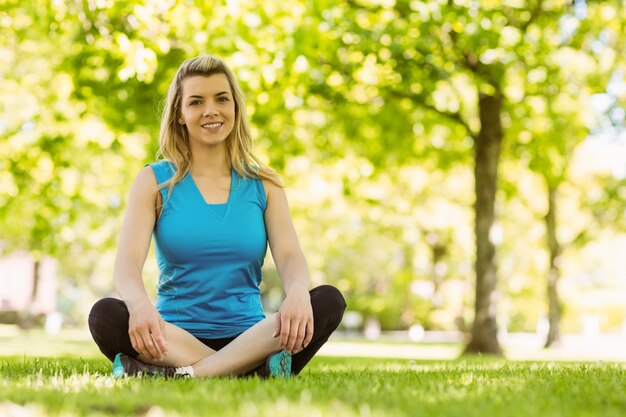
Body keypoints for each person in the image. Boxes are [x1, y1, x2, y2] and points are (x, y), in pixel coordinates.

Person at [88, 55, 346, 379]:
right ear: (180, 115)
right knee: (105, 315)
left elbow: (291, 255)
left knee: (327, 301)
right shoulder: (154, 181)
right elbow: (126, 264)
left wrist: (296, 292)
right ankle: (250, 371)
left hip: (252, 335)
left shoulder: (264, 184)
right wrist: (139, 306)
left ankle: (181, 374)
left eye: (221, 99)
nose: (211, 110)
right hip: (172, 338)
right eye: (196, 102)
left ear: (235, 107)